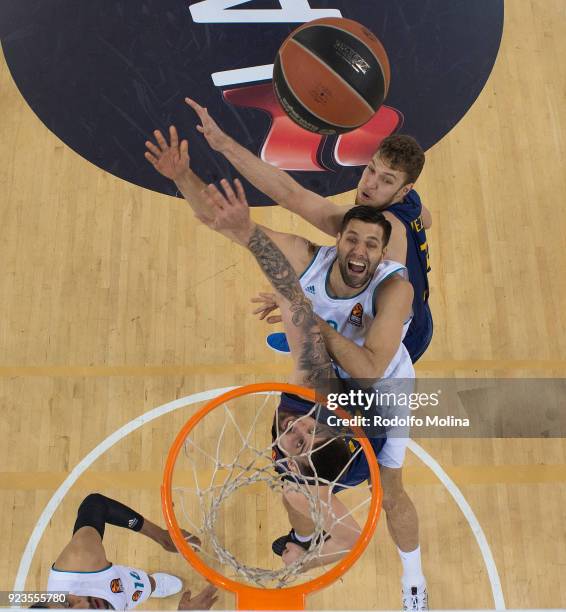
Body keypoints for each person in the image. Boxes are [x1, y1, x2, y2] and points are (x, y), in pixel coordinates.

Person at [149, 148, 428, 609]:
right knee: (287, 468)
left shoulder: (395, 288)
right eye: (351, 239)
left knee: (392, 491)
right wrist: (183, 175)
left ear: (381, 257)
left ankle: (413, 579)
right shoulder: (310, 263)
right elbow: (234, 225)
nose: (358, 250)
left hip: (382, 386)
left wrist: (306, 317)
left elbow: (369, 368)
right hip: (325, 373)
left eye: (370, 245)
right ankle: (303, 529)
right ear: (337, 241)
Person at [184, 99, 432, 363]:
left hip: (399, 340)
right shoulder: (410, 202)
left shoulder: (387, 233)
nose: (370, 184)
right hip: (422, 316)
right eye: (371, 170)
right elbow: (426, 221)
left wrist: (303, 307)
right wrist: (223, 145)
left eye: (386, 180)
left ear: (404, 189)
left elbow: (292, 196)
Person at [33, 493, 217, 610]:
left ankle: (151, 585)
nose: (81, 606)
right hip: (119, 599)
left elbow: (95, 505)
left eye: (67, 603)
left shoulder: (80, 561)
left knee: (144, 585)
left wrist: (161, 536)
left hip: (114, 585)